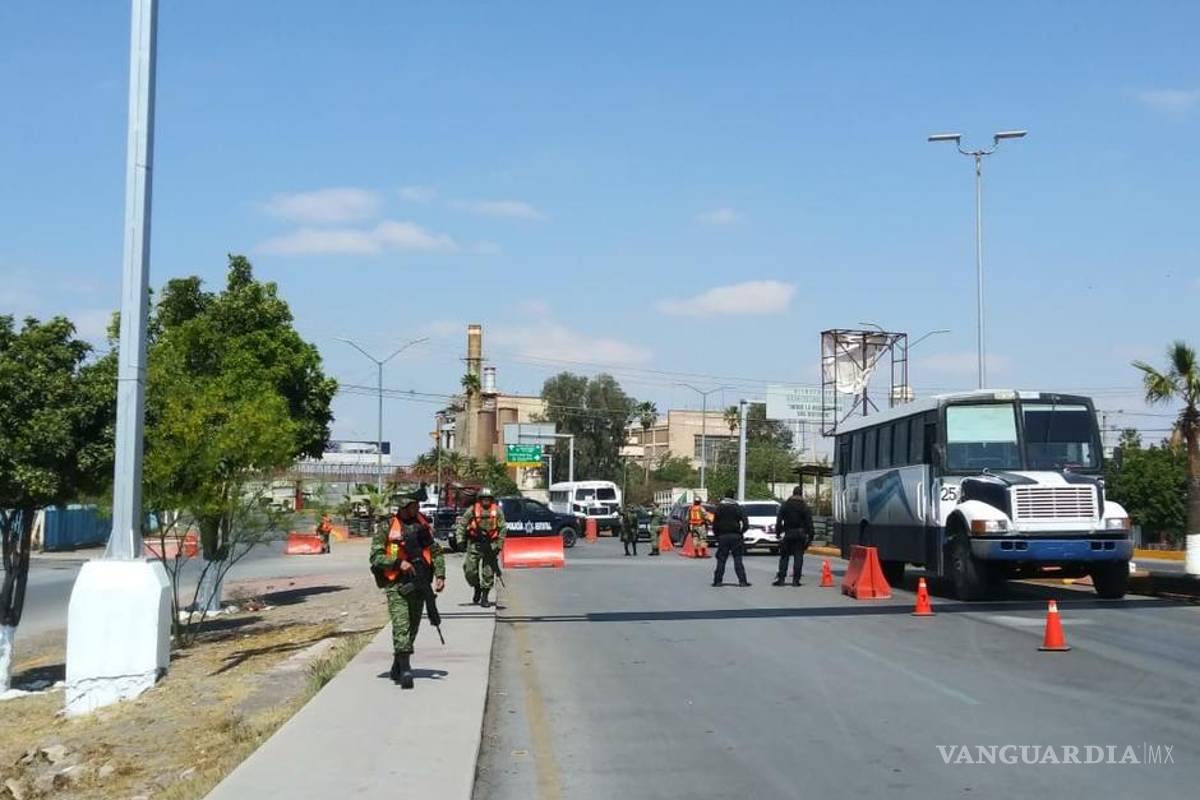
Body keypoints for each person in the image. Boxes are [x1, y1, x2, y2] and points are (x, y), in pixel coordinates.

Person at [369, 491, 446, 688]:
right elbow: (375, 557)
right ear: (403, 507)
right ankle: (405, 670)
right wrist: (397, 562)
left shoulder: (422, 525)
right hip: (397, 584)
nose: (417, 509)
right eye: (413, 506)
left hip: (419, 583)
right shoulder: (387, 527)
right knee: (401, 626)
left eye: (418, 506)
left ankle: (398, 663)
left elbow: (435, 551)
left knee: (413, 627)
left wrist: (440, 575)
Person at [455, 487, 507, 607]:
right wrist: (460, 540)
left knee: (488, 572)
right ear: (479, 499)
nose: (486, 501)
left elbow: (503, 528)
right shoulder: (472, 510)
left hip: (491, 545)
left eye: (488, 498)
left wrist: (499, 545)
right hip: (474, 544)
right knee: (469, 570)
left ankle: (484, 597)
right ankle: (476, 587)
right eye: (483, 498)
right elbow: (462, 525)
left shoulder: (497, 511)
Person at [773, 486, 815, 586]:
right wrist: (810, 536)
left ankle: (781, 579)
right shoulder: (804, 506)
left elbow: (779, 521)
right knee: (798, 557)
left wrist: (778, 533)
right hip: (800, 535)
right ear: (801, 494)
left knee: (784, 557)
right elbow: (809, 523)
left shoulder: (785, 505)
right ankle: (796, 580)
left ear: (793, 493)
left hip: (788, 533)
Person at [711, 494, 751, 587]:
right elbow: (746, 523)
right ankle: (742, 581)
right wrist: (741, 532)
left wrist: (717, 535)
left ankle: (717, 581)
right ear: (734, 497)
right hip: (735, 536)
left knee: (721, 559)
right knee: (737, 558)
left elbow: (715, 524)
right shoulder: (738, 508)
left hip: (723, 536)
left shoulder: (719, 508)